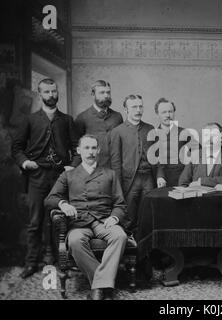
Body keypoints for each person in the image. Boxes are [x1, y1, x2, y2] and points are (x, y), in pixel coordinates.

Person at [45, 135, 127, 300]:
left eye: (93, 148)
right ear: (79, 150)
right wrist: (63, 204)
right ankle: (104, 284)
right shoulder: (68, 175)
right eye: (86, 148)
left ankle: (98, 286)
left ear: (98, 150)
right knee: (75, 241)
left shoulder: (109, 174)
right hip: (79, 223)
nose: (90, 152)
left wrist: (114, 218)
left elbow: (121, 204)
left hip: (104, 221)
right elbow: (49, 199)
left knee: (120, 236)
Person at [11, 78, 79, 278]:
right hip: (37, 176)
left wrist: (72, 166)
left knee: (62, 220)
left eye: (54, 91)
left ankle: (62, 260)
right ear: (39, 94)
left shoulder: (67, 120)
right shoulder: (30, 120)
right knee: (35, 221)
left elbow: (77, 148)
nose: (51, 95)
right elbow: (16, 148)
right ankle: (31, 262)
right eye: (47, 92)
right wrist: (25, 162)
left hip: (60, 176)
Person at [110, 94, 155, 233]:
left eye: (140, 106)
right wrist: (118, 186)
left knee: (148, 215)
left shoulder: (150, 128)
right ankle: (130, 249)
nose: (138, 110)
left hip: (148, 178)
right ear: (126, 110)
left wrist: (159, 176)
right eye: (134, 107)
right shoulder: (117, 131)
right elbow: (116, 162)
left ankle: (146, 250)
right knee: (128, 217)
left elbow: (157, 158)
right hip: (129, 180)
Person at [75, 80, 123, 168]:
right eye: (102, 92)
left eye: (108, 92)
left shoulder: (117, 117)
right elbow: (77, 146)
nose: (106, 95)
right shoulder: (82, 118)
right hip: (93, 169)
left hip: (115, 168)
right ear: (93, 94)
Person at [178, 122, 222, 187]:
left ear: (221, 138)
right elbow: (183, 183)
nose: (210, 139)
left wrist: (202, 182)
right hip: (196, 196)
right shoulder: (195, 155)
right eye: (206, 135)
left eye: (214, 135)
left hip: (218, 196)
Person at [154, 98, 190, 187]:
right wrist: (159, 176)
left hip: (181, 180)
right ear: (157, 114)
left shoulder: (184, 133)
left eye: (170, 111)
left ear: (174, 113)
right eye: (164, 112)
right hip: (159, 181)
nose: (168, 115)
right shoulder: (153, 135)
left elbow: (199, 153)